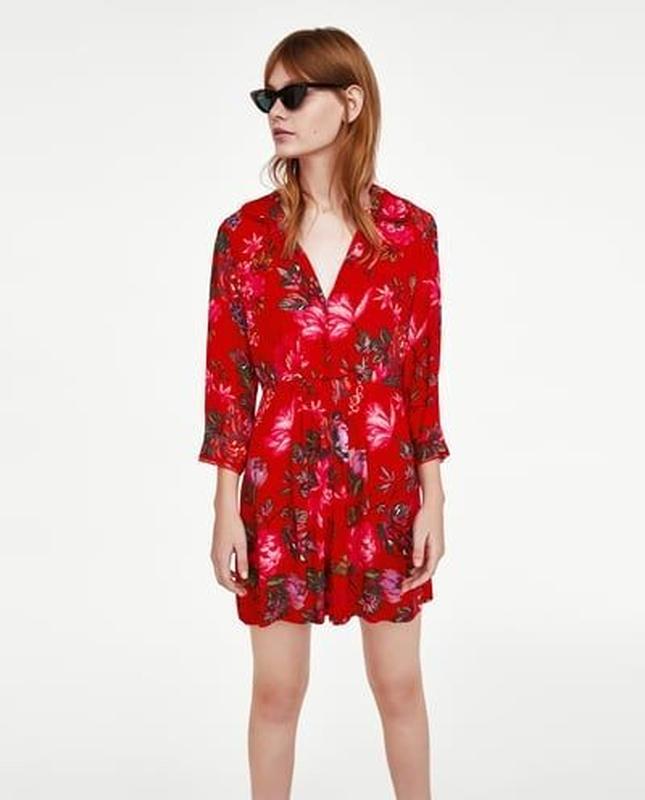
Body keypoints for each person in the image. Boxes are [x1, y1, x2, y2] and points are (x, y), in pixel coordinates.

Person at [198, 26, 451, 800]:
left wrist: (433, 496)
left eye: (293, 93)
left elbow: (419, 376)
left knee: (398, 685)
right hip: (277, 487)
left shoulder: (408, 233)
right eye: (267, 96)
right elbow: (228, 383)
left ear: (350, 102)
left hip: (384, 483)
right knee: (276, 691)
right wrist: (225, 507)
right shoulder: (244, 237)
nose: (276, 110)